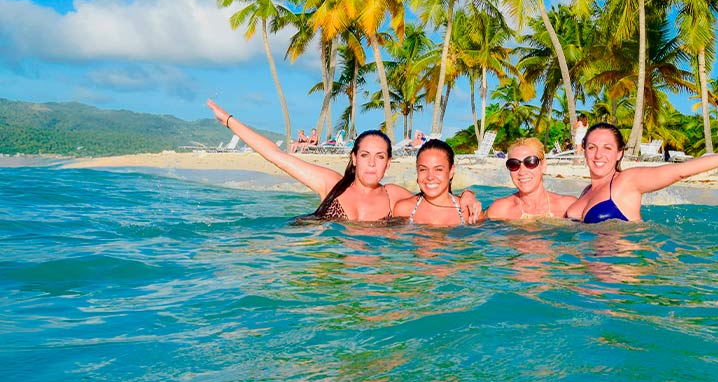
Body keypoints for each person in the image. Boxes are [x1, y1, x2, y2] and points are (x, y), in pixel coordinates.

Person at [206, 100, 481, 223]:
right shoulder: (331, 184)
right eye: (365, 155)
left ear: (388, 163)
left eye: (380, 157)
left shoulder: (394, 196)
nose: (371, 164)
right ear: (354, 158)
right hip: (314, 255)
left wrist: (468, 195)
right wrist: (228, 121)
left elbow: (436, 194)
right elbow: (277, 156)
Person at [566, 122, 718, 223]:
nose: (598, 155)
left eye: (607, 148)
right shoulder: (586, 192)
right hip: (588, 279)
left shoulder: (626, 181)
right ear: (584, 151)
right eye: (592, 147)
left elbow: (680, 171)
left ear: (619, 153)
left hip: (619, 280)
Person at [486, 137, 577, 220]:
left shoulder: (568, 206)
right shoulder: (499, 210)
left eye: (530, 162)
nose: (522, 172)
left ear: (543, 165)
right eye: (513, 164)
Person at [393, 139, 477, 226]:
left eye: (438, 169)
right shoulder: (404, 210)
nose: (430, 177)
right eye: (423, 169)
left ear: (451, 171)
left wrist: (468, 193)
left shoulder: (469, 211)